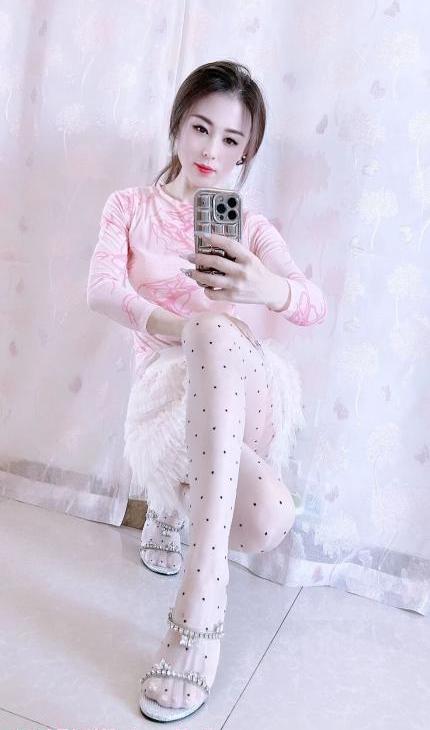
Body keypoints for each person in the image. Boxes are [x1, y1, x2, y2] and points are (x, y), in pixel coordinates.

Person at [87, 60, 327, 722]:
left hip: (249, 384)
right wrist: (186, 328)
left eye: (232, 140)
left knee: (220, 333)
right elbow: (101, 290)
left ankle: (198, 611)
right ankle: (171, 506)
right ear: (176, 125)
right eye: (200, 128)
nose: (212, 151)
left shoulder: (248, 225)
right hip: (169, 391)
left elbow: (313, 304)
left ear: (247, 151)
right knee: (268, 517)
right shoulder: (129, 208)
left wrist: (266, 288)